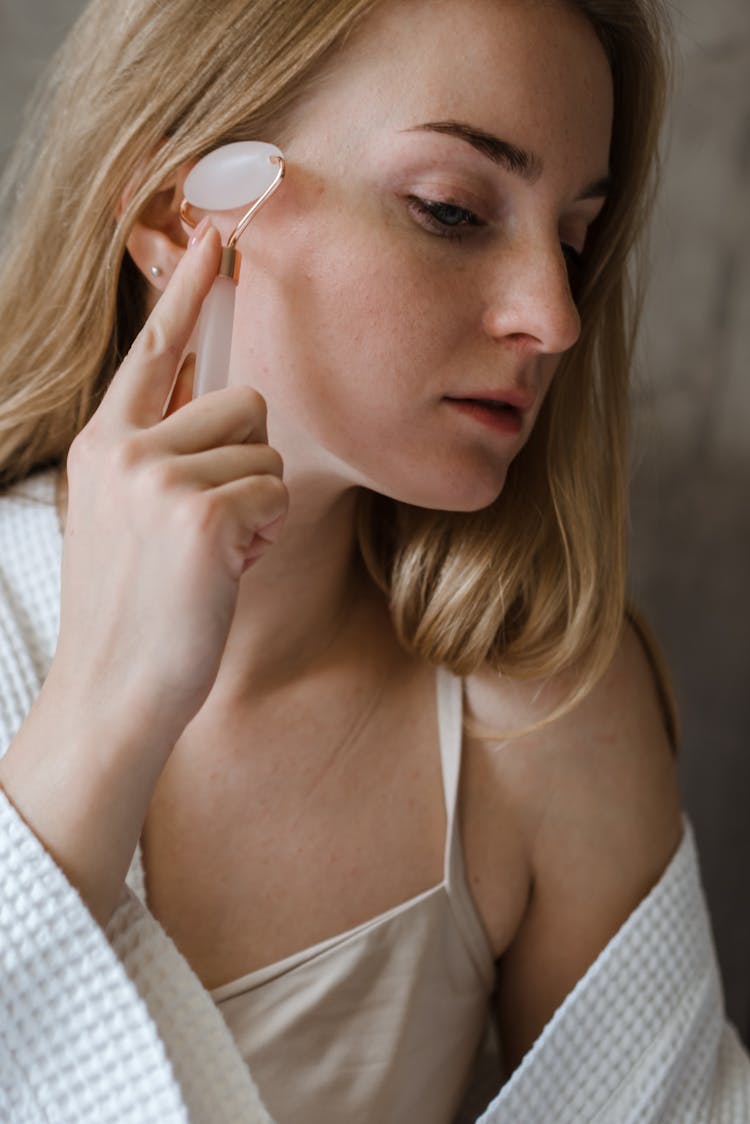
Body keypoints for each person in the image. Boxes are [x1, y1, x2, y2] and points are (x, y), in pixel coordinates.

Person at [0, 0, 748, 1122]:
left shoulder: (540, 726)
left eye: (575, 238)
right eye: (451, 209)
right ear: (179, 212)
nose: (553, 315)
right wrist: (105, 716)